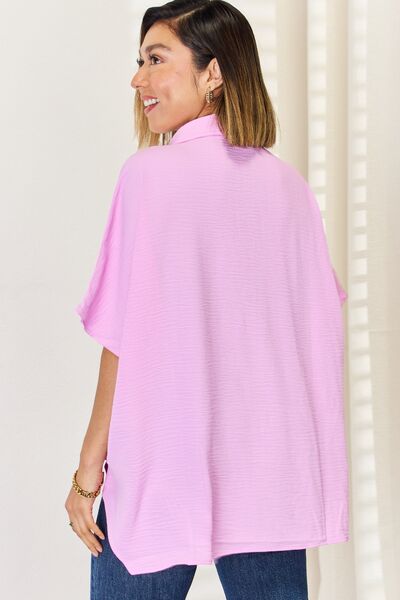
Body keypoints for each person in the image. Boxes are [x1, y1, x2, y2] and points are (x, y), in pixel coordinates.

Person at [65, 1, 349, 598]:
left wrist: (89, 472)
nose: (138, 79)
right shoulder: (290, 188)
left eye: (156, 59)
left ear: (213, 71)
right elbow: (316, 329)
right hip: (271, 478)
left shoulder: (147, 176)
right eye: (140, 61)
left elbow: (121, 340)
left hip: (164, 469)